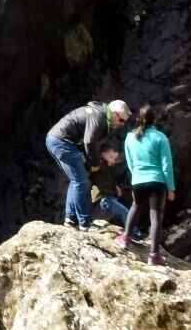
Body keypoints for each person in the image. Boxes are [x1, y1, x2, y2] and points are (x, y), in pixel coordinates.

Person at [46, 98, 132, 228]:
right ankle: (85, 224)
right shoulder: (99, 116)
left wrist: (89, 160)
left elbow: (85, 142)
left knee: (76, 180)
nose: (122, 124)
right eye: (121, 120)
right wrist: (95, 163)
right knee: (81, 182)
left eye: (124, 122)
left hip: (56, 139)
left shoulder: (99, 113)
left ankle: (71, 219)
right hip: (62, 142)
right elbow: (89, 141)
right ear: (114, 113)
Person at [121, 103, 176, 265]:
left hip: (138, 180)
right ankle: (154, 256)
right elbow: (167, 166)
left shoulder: (130, 137)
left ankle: (125, 237)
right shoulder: (160, 137)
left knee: (135, 207)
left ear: (138, 118)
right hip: (157, 182)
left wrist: (136, 177)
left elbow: (130, 163)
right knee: (156, 218)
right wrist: (171, 188)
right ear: (154, 120)